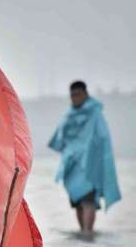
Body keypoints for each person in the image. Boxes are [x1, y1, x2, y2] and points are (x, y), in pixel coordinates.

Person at [48, 81, 121, 235]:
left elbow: (103, 138)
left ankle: (88, 232)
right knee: (78, 202)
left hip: (90, 164)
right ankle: (83, 232)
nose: (75, 98)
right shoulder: (69, 115)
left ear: (85, 94)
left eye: (78, 94)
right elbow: (60, 139)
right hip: (73, 166)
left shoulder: (95, 113)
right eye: (72, 95)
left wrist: (93, 154)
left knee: (88, 201)